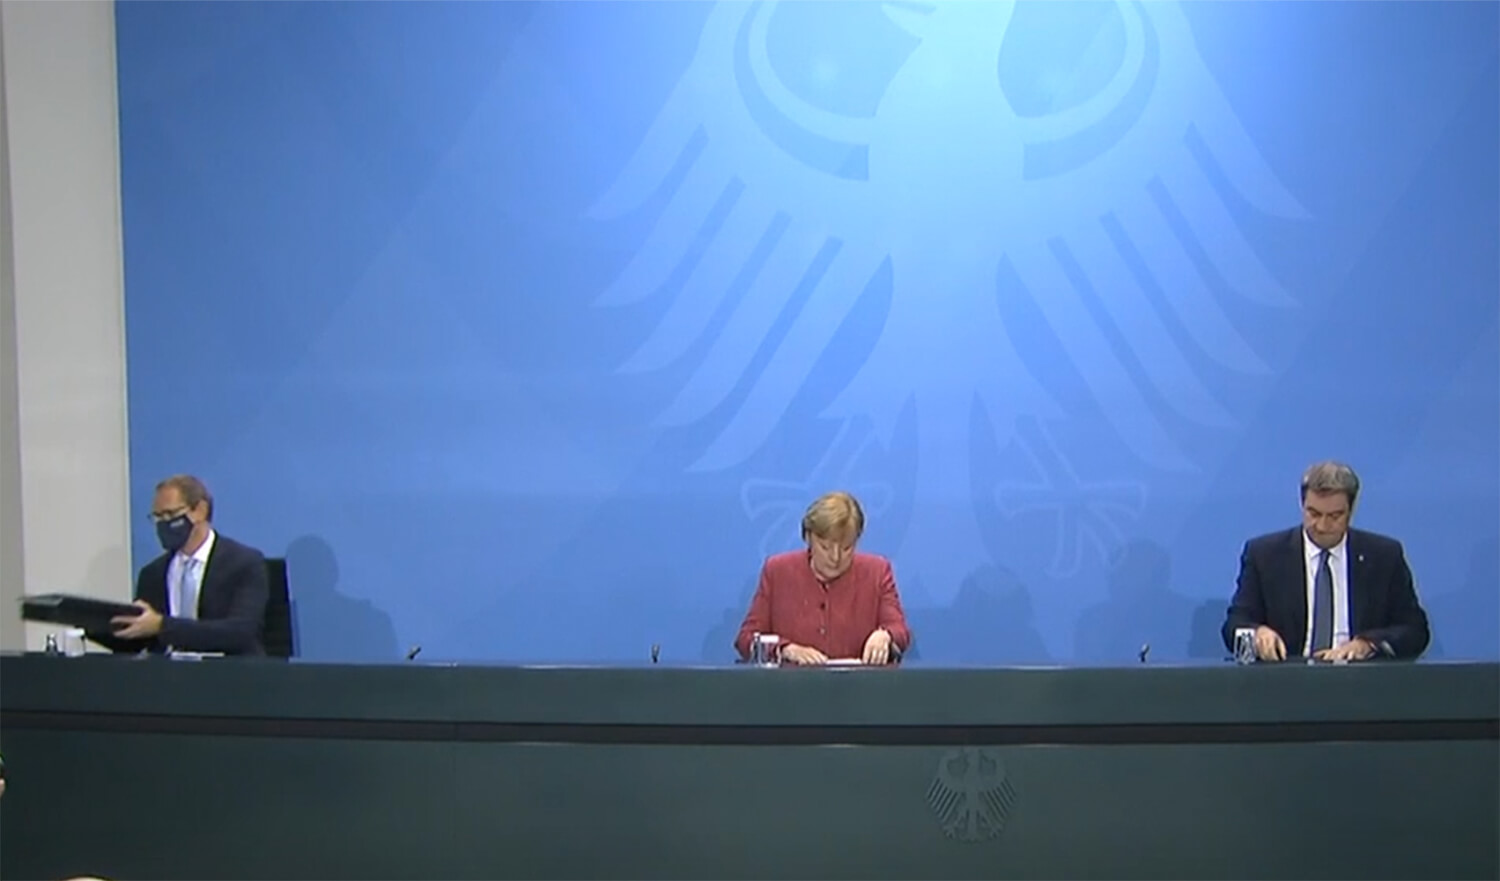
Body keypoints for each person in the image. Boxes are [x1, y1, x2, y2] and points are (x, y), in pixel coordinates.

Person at [1222, 461, 1430, 662]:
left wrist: (1368, 644)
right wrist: (1258, 633)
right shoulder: (1265, 555)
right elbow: (1235, 625)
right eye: (1313, 513)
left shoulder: (1383, 556)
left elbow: (1415, 631)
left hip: (1361, 682)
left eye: (1335, 516)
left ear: (1351, 510)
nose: (1322, 525)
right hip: (1287, 680)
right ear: (1302, 504)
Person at [89, 474, 269, 656]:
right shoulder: (153, 573)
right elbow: (141, 640)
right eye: (158, 517)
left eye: (171, 514)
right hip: (168, 677)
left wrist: (162, 625)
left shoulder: (244, 563)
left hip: (229, 676)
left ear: (200, 510)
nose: (164, 523)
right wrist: (91, 625)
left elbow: (240, 632)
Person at [735, 491, 913, 665]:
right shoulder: (777, 571)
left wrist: (885, 635)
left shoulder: (877, 571)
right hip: (791, 690)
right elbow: (747, 639)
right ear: (808, 537)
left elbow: (900, 631)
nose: (835, 558)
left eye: (846, 548)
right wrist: (786, 650)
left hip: (860, 690)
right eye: (825, 547)